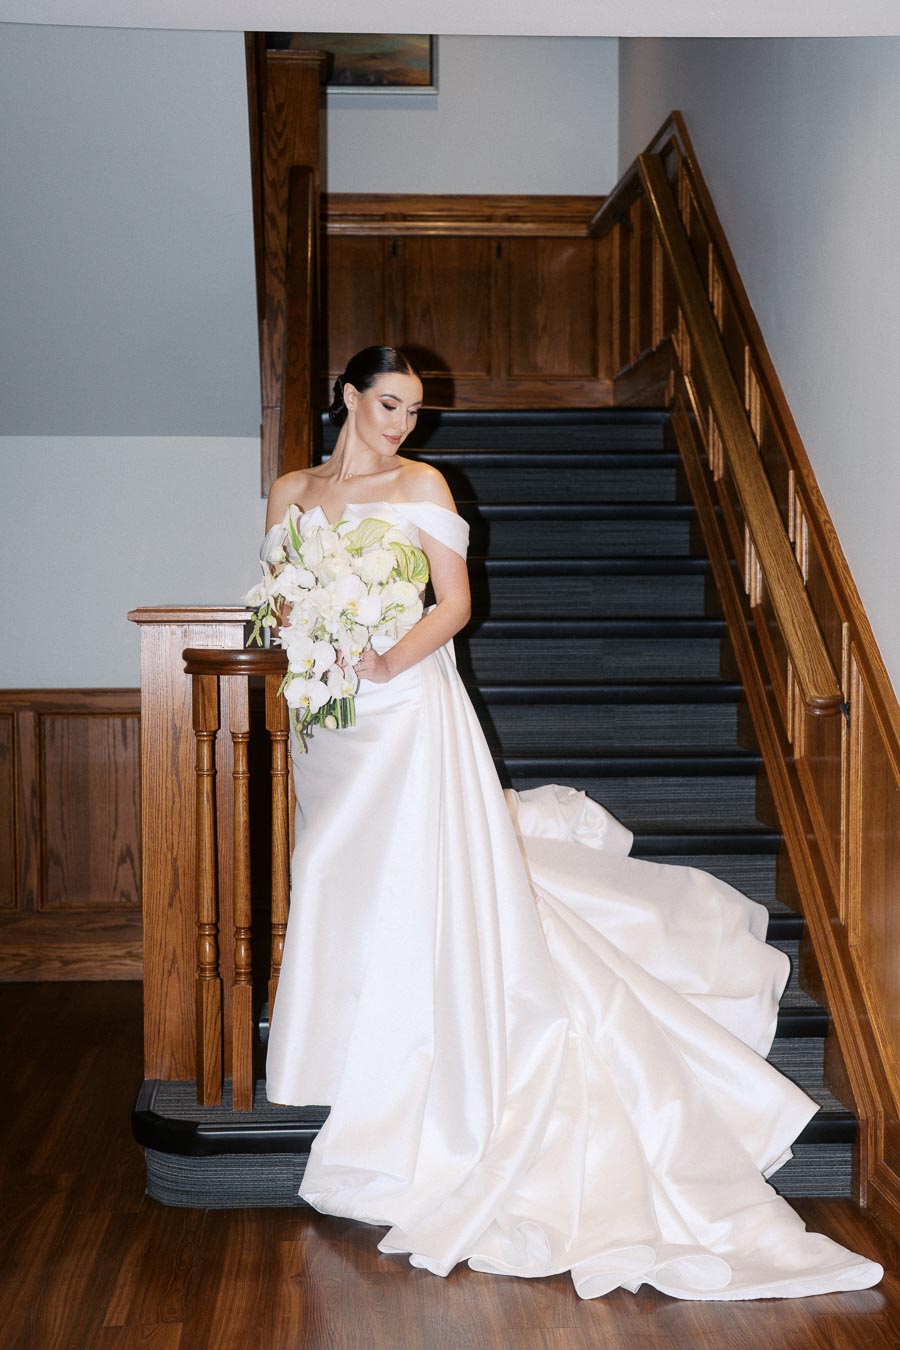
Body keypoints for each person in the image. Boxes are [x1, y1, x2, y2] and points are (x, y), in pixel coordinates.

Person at [263, 346, 882, 1300]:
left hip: (403, 713)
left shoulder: (424, 482)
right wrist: (305, 642)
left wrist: (385, 660)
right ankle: (357, 1056)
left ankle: (429, 1083)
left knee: (417, 884)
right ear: (346, 396)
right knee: (339, 881)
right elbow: (276, 599)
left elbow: (457, 604)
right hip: (325, 726)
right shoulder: (292, 488)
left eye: (414, 410)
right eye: (388, 405)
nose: (401, 424)